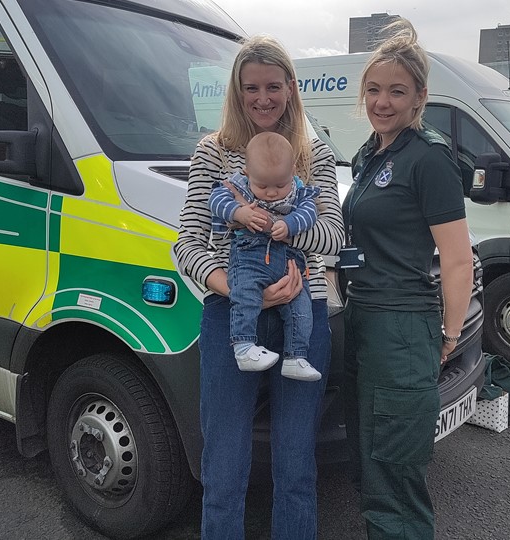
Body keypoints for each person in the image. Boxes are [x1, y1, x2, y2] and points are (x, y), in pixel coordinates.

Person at [173, 34, 344, 539]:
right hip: (230, 316)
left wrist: (281, 228)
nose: (262, 98)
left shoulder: (315, 156)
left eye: (273, 86)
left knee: (296, 465)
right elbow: (186, 244)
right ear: (237, 90)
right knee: (223, 464)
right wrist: (235, 289)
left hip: (303, 316)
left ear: (291, 87)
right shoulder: (213, 153)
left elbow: (333, 235)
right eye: (251, 88)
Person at [341, 18, 474, 540]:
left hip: (401, 326)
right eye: (373, 90)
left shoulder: (428, 158)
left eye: (397, 91)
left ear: (420, 96)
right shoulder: (370, 154)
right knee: (368, 461)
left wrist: (449, 333)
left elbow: (457, 259)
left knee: (395, 472)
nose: (382, 101)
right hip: (362, 320)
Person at [208, 131, 322, 381]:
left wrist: (290, 224)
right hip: (250, 259)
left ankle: (296, 356)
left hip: (290, 264)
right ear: (247, 173)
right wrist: (239, 214)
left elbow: (309, 213)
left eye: (280, 185)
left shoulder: (299, 191)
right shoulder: (235, 185)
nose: (271, 193)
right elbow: (215, 201)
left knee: (302, 309)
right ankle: (244, 346)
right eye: (262, 186)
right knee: (245, 296)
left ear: (292, 171)